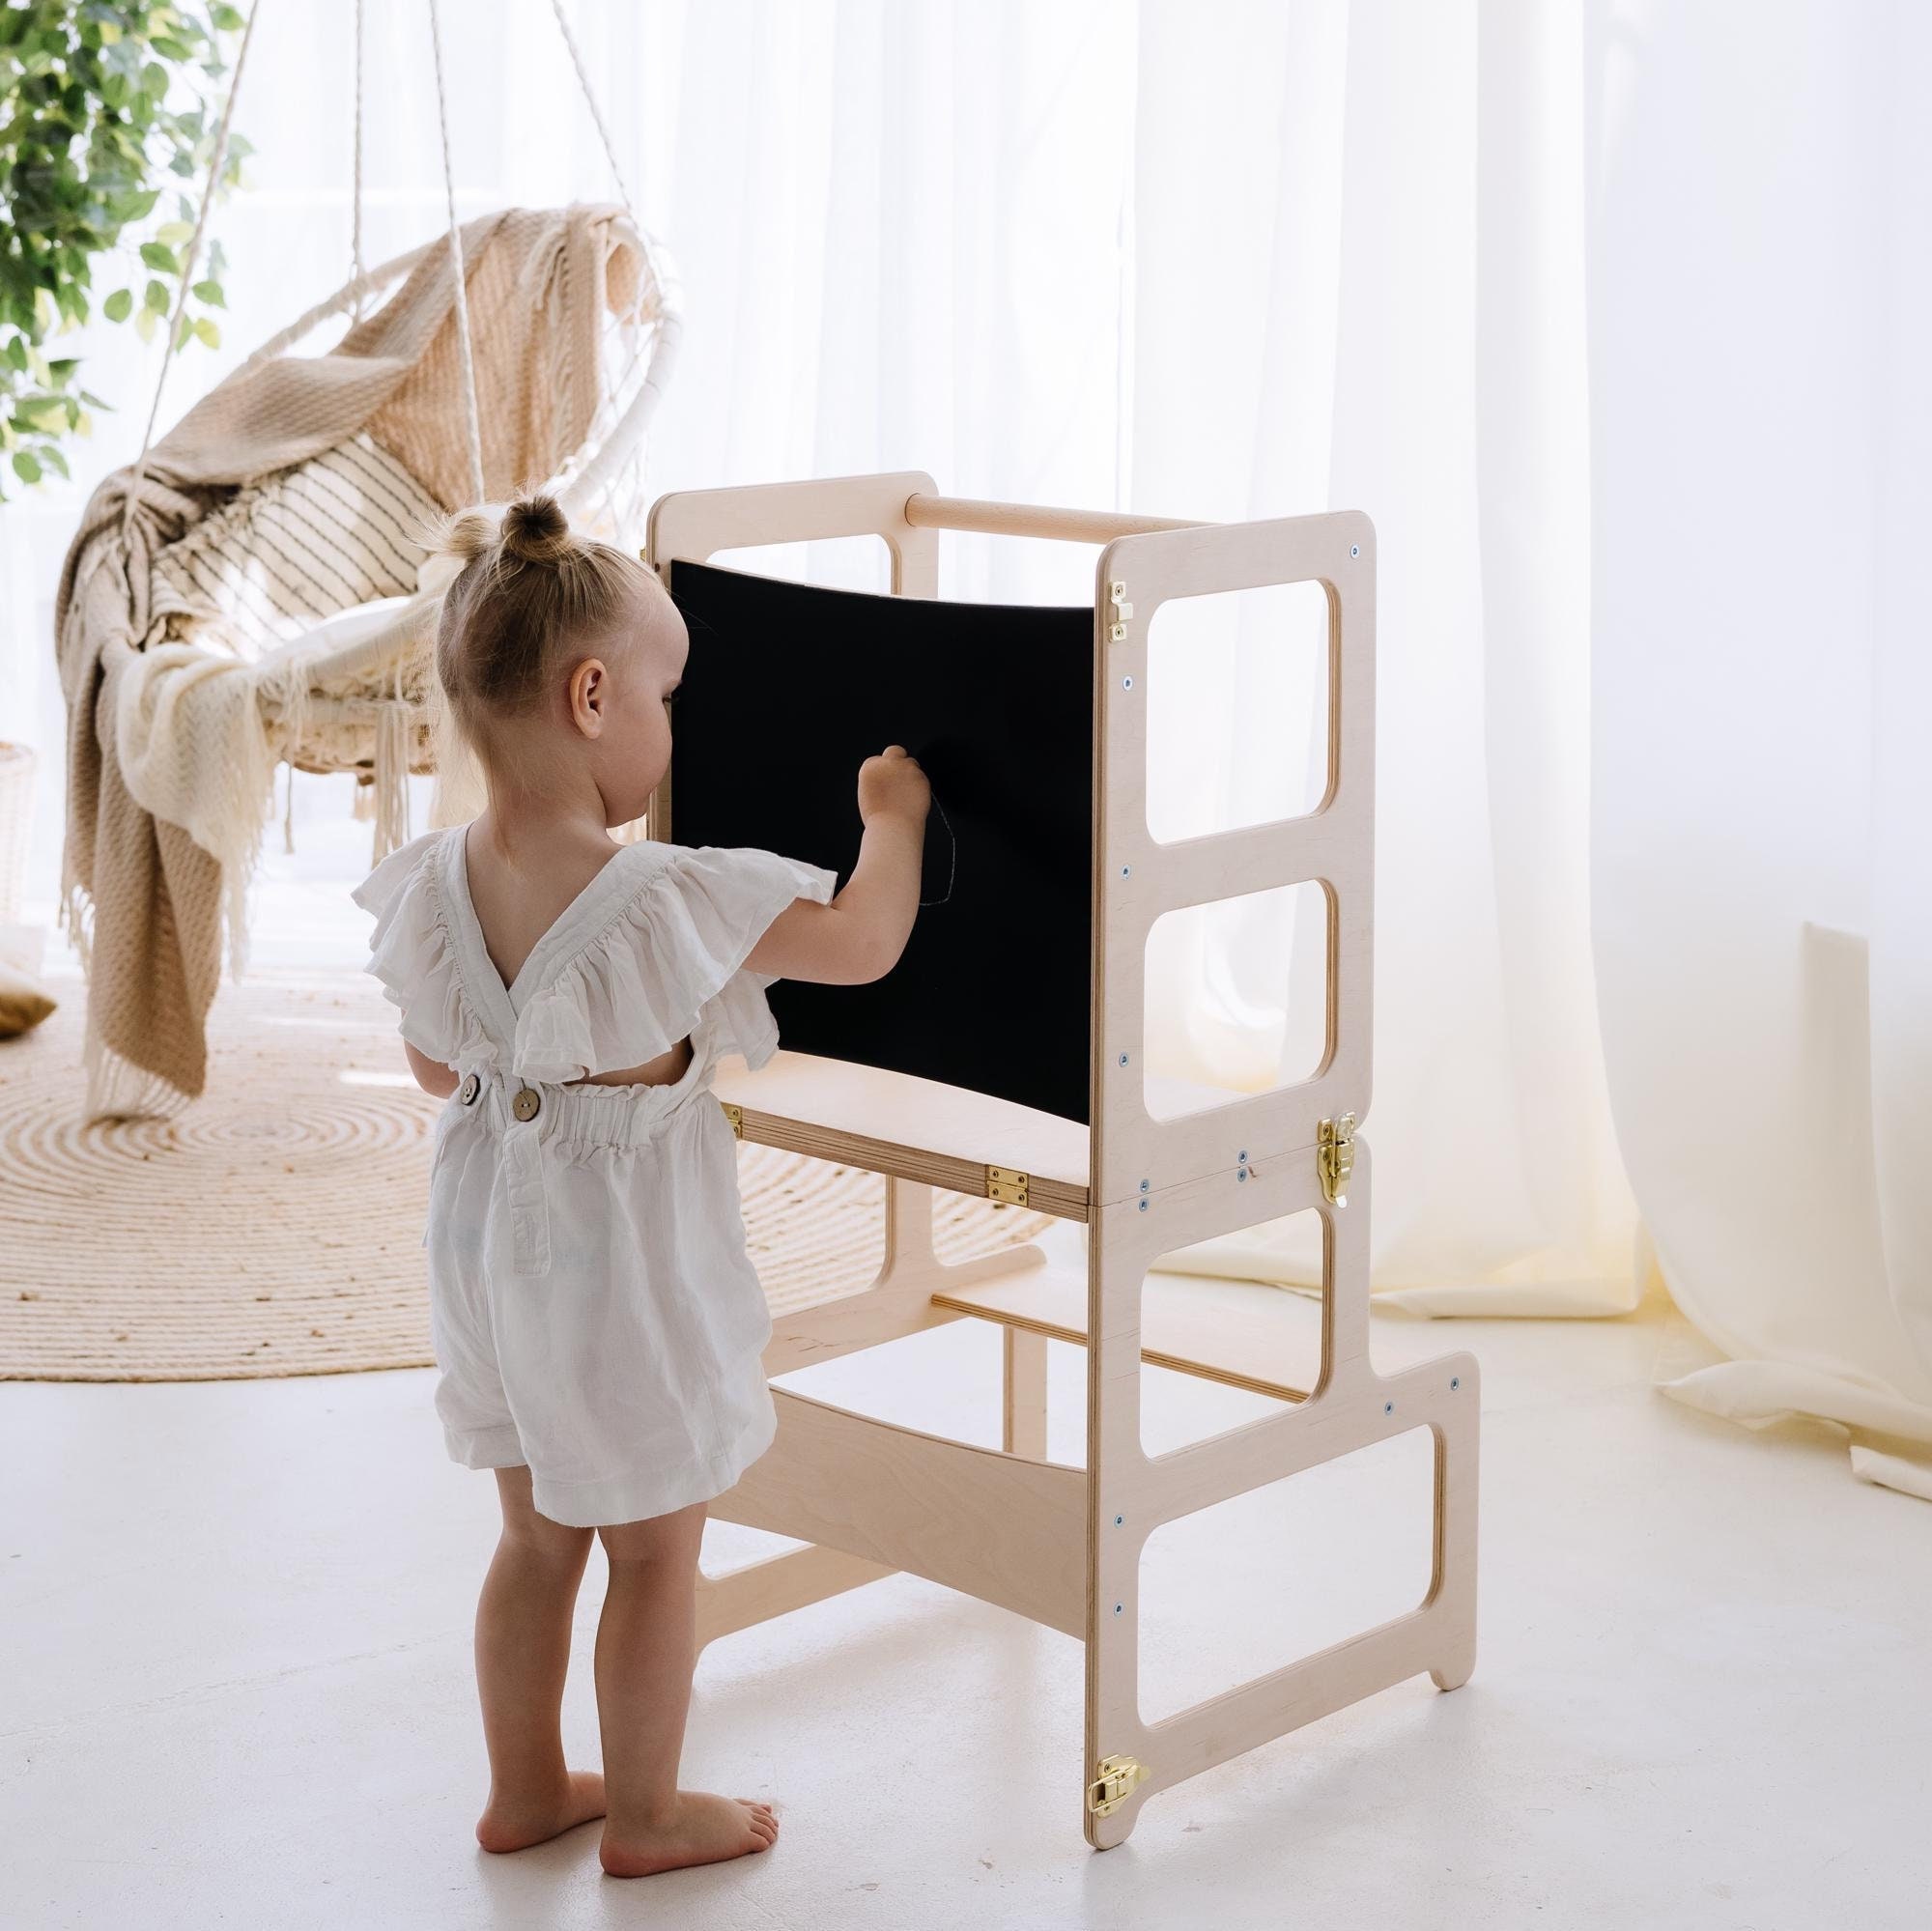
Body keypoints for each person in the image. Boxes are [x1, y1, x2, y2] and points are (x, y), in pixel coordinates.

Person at [355, 495, 929, 1876]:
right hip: (618, 1275)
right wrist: (893, 814)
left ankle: (525, 1791)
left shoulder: (430, 886)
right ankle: (650, 1814)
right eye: (667, 696)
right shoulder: (662, 896)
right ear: (593, 696)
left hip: (485, 1263)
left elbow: (437, 1072)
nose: (676, 725)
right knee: (658, 1552)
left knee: (534, 1540)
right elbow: (862, 943)